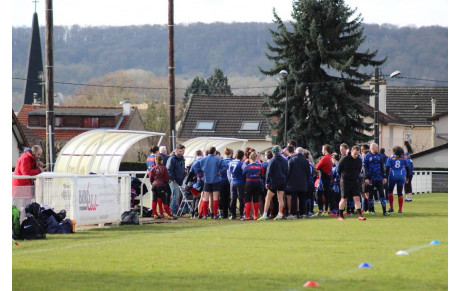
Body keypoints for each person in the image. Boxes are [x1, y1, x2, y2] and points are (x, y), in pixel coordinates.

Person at [192, 146, 229, 219]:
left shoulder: (204, 159)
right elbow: (226, 166)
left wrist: (200, 172)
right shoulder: (218, 159)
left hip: (206, 180)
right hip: (216, 179)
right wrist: (220, 172)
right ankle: (215, 215)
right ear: (215, 152)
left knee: (205, 198)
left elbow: (195, 166)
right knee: (215, 198)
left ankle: (205, 215)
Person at [336, 146, 367, 221]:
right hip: (345, 181)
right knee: (344, 198)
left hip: (355, 180)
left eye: (357, 154)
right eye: (355, 154)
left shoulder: (359, 160)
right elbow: (338, 169)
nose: (356, 155)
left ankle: (360, 215)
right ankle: (340, 215)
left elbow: (359, 170)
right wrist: (342, 177)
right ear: (351, 151)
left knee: (357, 198)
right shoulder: (345, 159)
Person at [258, 145, 288, 221]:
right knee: (280, 198)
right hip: (282, 180)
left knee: (268, 198)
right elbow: (286, 170)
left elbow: (268, 172)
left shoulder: (272, 160)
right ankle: (280, 214)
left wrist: (267, 182)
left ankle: (264, 214)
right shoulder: (284, 160)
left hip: (274, 181)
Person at [363, 143, 390, 216]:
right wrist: (366, 178)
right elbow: (365, 168)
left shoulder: (380, 156)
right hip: (371, 179)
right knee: (371, 195)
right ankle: (372, 211)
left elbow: (382, 167)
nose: (377, 149)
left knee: (382, 194)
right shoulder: (367, 156)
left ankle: (384, 211)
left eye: (378, 148)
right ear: (372, 148)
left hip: (379, 178)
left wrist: (384, 177)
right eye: (376, 148)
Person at [286, 147, 310, 219]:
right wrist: (306, 180)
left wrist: (287, 181)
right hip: (303, 182)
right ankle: (303, 213)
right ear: (302, 152)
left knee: (294, 199)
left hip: (293, 183)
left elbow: (288, 172)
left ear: (296, 152)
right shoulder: (305, 161)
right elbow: (308, 173)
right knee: (302, 198)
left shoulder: (292, 160)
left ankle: (294, 214)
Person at [316, 144, 338, 216]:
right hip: (329, 178)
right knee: (328, 194)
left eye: (322, 149)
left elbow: (317, 166)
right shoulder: (330, 157)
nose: (322, 151)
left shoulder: (325, 158)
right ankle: (329, 210)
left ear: (325, 149)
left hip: (324, 178)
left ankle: (324, 210)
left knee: (324, 194)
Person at [242, 152, 264, 220]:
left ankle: (247, 216)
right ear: (256, 158)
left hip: (249, 183)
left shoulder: (247, 166)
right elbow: (262, 174)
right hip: (257, 182)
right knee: (256, 199)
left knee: (248, 199)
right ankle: (255, 216)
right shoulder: (260, 165)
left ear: (249, 158)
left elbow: (243, 174)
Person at [386, 146, 408, 213]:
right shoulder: (404, 157)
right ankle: (400, 209)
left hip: (392, 175)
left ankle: (391, 207)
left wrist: (385, 176)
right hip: (401, 175)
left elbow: (387, 167)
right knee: (400, 192)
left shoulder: (390, 157)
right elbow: (408, 167)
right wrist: (408, 177)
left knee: (390, 191)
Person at [166, 144, 186, 216]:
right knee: (176, 195)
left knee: (178, 196)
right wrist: (172, 178)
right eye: (180, 151)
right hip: (173, 180)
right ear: (176, 150)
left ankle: (175, 210)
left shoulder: (182, 159)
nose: (182, 152)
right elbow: (169, 169)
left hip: (180, 180)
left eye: (183, 151)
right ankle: (172, 212)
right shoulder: (172, 159)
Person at [228, 150, 246, 220]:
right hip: (240, 182)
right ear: (242, 156)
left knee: (233, 199)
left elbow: (228, 173)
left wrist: (230, 181)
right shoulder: (241, 164)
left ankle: (233, 214)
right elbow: (245, 172)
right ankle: (241, 215)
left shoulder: (230, 163)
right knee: (241, 199)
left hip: (232, 182)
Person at [219, 148, 233, 218]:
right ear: (231, 154)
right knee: (229, 197)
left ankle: (221, 213)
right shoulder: (232, 161)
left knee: (222, 197)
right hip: (230, 181)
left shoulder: (221, 161)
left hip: (221, 180)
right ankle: (230, 212)